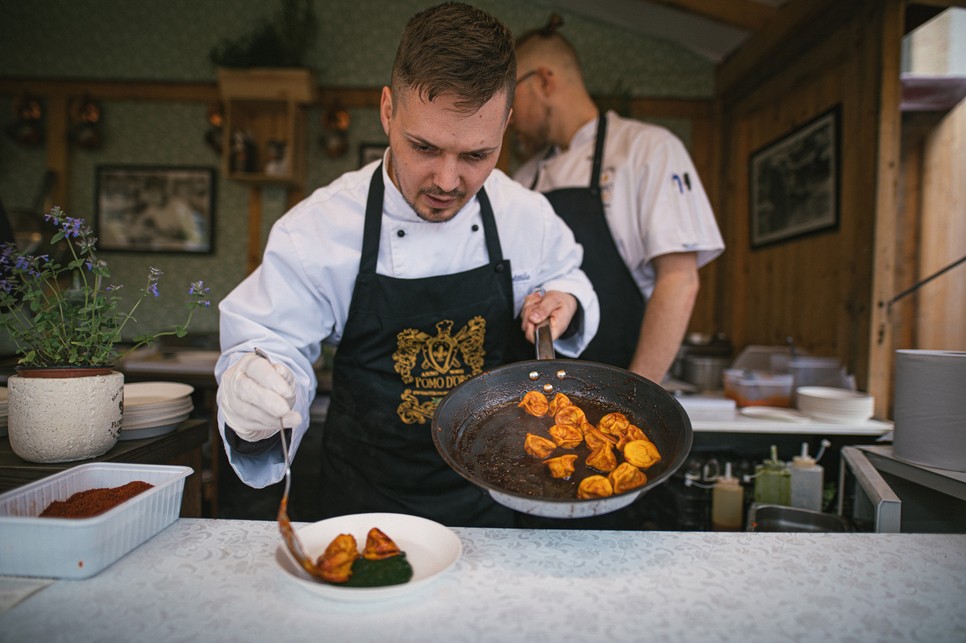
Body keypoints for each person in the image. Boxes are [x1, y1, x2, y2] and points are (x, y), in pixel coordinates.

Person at [214, 3, 599, 529]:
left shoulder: (524, 215)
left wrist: (565, 304)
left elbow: (567, 277)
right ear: (388, 110)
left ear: (506, 125)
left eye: (475, 156)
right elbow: (273, 344)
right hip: (362, 506)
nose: (446, 181)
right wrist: (256, 390)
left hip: (493, 503)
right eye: (424, 147)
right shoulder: (318, 230)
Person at [511, 15, 724, 385]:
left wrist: (633, 396)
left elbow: (679, 279)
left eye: (512, 94)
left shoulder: (647, 150)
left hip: (620, 379)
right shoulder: (526, 177)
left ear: (544, 80)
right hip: (536, 391)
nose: (509, 116)